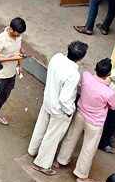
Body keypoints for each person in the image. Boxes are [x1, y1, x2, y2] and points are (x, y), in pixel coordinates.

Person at [56, 58, 115, 182]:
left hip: (80, 114)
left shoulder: (86, 76)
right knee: (88, 149)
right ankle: (81, 175)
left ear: (95, 69)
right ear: (109, 74)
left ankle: (61, 160)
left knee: (70, 138)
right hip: (95, 123)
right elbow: (113, 106)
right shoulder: (109, 92)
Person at [29, 40, 86, 175]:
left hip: (48, 100)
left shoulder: (57, 58)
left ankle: (33, 150)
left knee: (41, 127)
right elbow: (65, 99)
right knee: (52, 137)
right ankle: (42, 164)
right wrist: (70, 111)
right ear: (81, 58)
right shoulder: (73, 74)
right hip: (59, 110)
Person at [0, 18, 26, 124]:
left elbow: (18, 50)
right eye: (18, 33)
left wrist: (20, 66)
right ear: (11, 29)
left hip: (11, 74)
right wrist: (12, 59)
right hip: (0, 76)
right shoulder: (1, 39)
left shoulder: (18, 36)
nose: (19, 35)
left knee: (4, 96)